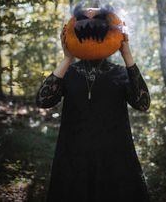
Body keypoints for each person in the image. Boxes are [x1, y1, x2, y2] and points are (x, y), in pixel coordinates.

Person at [36, 25, 151, 202]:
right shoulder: (69, 73)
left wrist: (126, 53)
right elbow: (43, 101)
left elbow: (143, 104)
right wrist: (67, 58)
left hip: (114, 159)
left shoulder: (121, 73)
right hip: (74, 159)